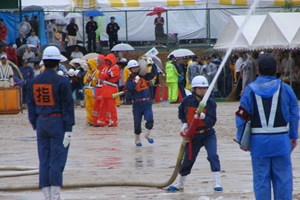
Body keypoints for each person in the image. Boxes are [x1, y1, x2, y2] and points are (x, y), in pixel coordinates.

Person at [235, 53, 299, 199]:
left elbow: (241, 117)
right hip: (281, 141)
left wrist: (242, 140)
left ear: (258, 70)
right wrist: (293, 136)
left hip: (258, 143)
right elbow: (295, 115)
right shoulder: (287, 90)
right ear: (277, 68)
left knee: (261, 180)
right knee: (283, 180)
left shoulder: (249, 91)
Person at [26, 46, 75, 200]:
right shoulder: (61, 81)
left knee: (44, 159)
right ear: (57, 63)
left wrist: (35, 123)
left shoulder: (33, 82)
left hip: (41, 122)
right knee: (57, 159)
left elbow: (30, 105)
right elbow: (68, 107)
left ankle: (47, 195)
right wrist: (68, 128)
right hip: (57, 122)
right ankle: (55, 195)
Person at [167, 75, 223, 192]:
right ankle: (180, 183)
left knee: (213, 156)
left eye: (205, 88)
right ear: (194, 89)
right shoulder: (187, 101)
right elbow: (181, 112)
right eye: (200, 88)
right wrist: (185, 124)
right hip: (193, 135)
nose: (203, 91)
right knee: (188, 160)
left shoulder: (211, 103)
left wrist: (203, 117)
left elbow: (212, 122)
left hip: (208, 134)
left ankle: (217, 183)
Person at [125, 59, 158, 146]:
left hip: (147, 102)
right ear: (130, 69)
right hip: (137, 104)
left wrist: (152, 63)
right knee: (137, 123)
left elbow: (153, 73)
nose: (136, 69)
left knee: (150, 119)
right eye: (133, 68)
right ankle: (137, 138)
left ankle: (147, 135)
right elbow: (130, 88)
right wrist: (135, 81)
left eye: (136, 67)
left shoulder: (144, 76)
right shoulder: (129, 80)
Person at [97, 53, 120, 127]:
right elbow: (101, 76)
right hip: (105, 89)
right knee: (102, 106)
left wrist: (105, 76)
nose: (107, 62)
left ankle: (114, 121)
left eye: (108, 60)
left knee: (111, 107)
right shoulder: (106, 68)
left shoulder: (115, 67)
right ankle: (101, 121)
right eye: (106, 60)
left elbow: (109, 75)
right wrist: (105, 75)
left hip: (111, 89)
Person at [83, 58, 99, 126]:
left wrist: (91, 80)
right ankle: (89, 120)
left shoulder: (97, 72)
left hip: (93, 91)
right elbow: (84, 81)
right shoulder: (88, 72)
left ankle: (96, 119)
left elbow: (97, 83)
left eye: (89, 64)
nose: (88, 66)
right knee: (88, 106)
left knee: (94, 106)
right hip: (88, 91)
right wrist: (87, 79)